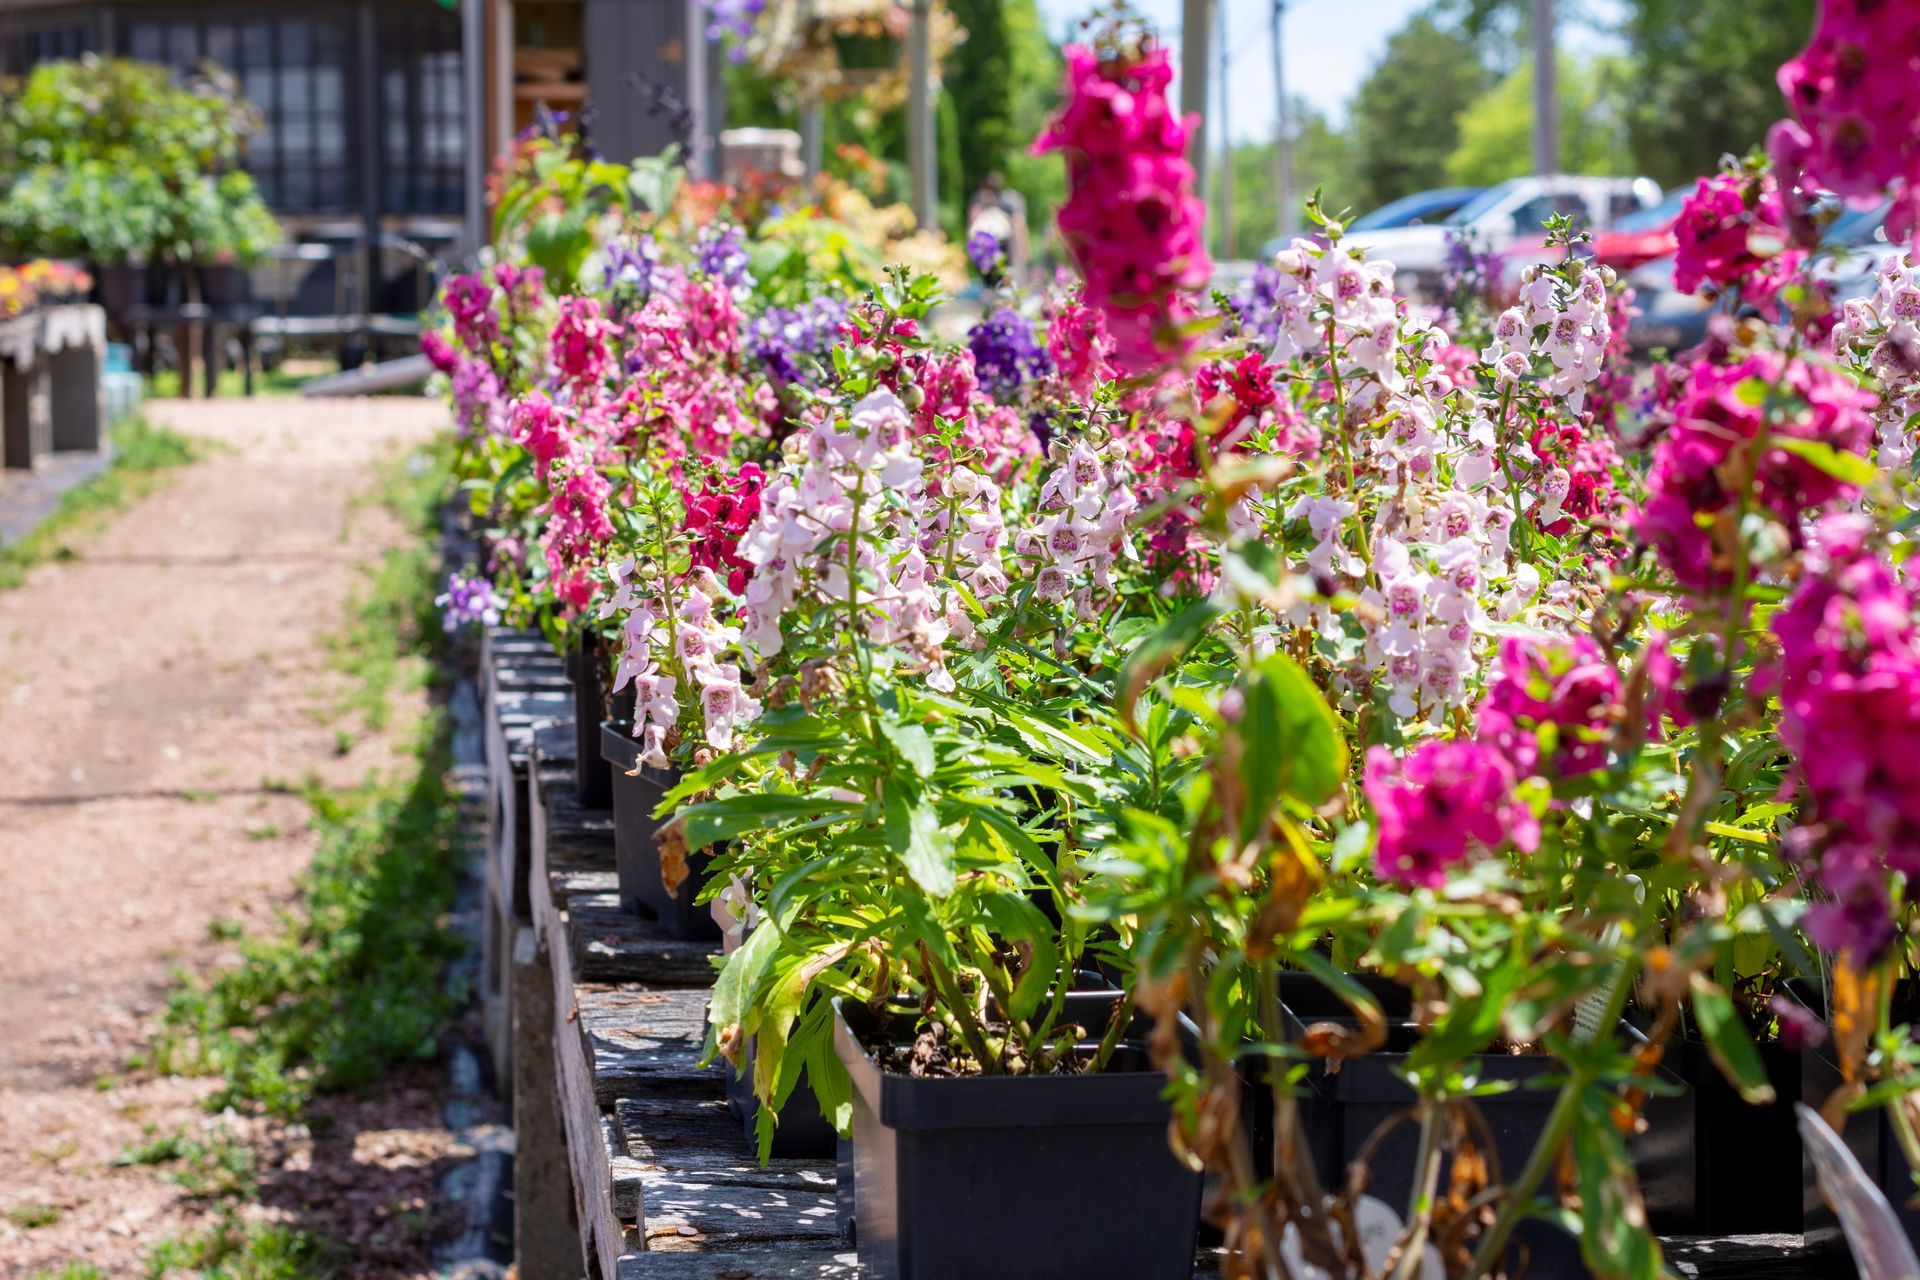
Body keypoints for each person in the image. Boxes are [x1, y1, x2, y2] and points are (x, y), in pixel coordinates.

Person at [966, 172, 1030, 283]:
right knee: (992, 274)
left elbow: (1018, 224)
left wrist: (1022, 246)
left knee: (1002, 273)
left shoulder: (1005, 202)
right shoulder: (979, 199)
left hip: (1001, 245)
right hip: (986, 247)